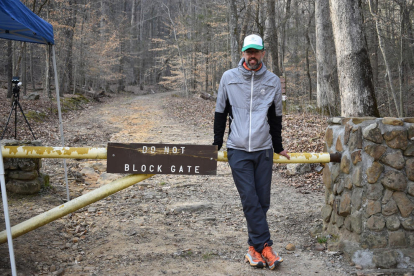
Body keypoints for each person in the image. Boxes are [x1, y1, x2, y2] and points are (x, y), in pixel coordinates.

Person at [213, 34, 290, 270]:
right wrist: (216, 144)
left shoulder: (273, 81)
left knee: (262, 201)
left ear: (263, 53)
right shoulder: (229, 78)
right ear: (243, 53)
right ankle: (266, 246)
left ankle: (253, 250)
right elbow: (220, 112)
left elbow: (275, 117)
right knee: (250, 198)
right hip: (237, 149)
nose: (252, 55)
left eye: (256, 51)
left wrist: (278, 147)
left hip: (263, 149)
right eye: (249, 51)